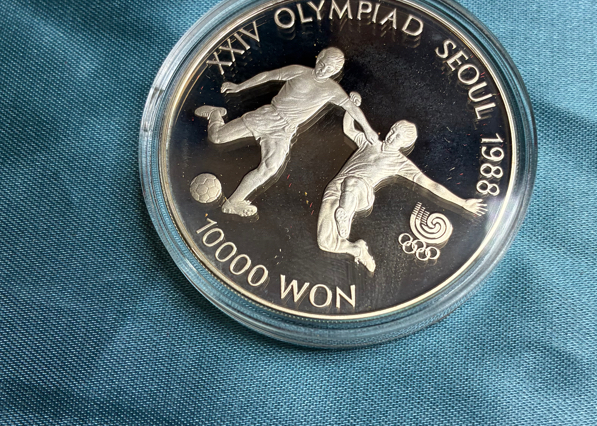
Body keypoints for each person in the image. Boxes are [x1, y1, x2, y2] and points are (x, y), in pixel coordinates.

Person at [195, 47, 378, 216]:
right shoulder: (299, 71)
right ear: (318, 59)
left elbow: (351, 108)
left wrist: (368, 129)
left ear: (335, 72)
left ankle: (234, 202)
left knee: (270, 167)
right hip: (269, 116)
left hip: (285, 130)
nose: (324, 70)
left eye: (330, 69)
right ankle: (215, 114)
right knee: (217, 137)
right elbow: (268, 76)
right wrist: (239, 86)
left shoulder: (332, 90)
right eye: (323, 65)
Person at [317, 93, 487, 272]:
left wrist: (462, 203)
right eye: (393, 131)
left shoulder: (400, 163)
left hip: (360, 192)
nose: (392, 136)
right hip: (335, 188)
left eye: (397, 136)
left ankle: (345, 215)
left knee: (352, 182)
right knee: (325, 242)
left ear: (404, 143)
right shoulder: (370, 142)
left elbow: (431, 185)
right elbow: (348, 129)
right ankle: (357, 249)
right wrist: (351, 106)